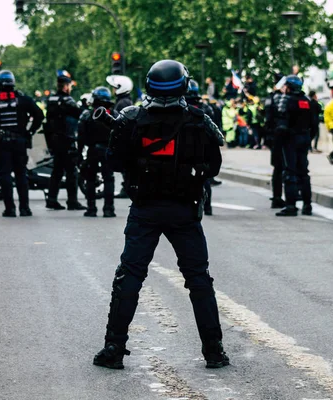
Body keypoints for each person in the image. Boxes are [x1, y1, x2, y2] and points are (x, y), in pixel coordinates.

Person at [92, 59, 228, 370]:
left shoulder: (131, 118)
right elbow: (215, 166)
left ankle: (113, 348)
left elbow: (113, 163)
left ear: (149, 85)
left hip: (145, 210)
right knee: (198, 280)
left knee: (129, 276)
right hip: (184, 210)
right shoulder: (198, 118)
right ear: (184, 84)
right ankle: (214, 351)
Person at [0, 70, 44, 217]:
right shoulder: (23, 99)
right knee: (21, 175)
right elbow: (39, 114)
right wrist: (30, 131)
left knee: (5, 174)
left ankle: (10, 208)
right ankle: (25, 208)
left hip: (2, 142)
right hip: (19, 141)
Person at [44, 71, 84, 211]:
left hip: (54, 140)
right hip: (67, 139)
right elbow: (80, 114)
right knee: (71, 172)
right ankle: (72, 201)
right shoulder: (68, 101)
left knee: (57, 171)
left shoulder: (51, 100)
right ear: (66, 86)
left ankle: (51, 199)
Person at [274, 75, 313, 217]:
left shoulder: (287, 100)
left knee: (290, 172)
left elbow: (282, 122)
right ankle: (307, 205)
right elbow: (313, 122)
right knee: (304, 172)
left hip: (291, 139)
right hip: (304, 137)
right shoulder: (306, 101)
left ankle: (291, 206)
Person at [78, 86, 117, 217]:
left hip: (93, 150)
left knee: (90, 179)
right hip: (108, 150)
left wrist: (79, 154)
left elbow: (81, 136)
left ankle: (91, 208)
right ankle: (109, 208)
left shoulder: (88, 115)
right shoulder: (113, 114)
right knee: (108, 179)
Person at [187, 80, 216, 215]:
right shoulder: (206, 108)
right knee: (204, 178)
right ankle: (207, 206)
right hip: (204, 147)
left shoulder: (183, 109)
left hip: (187, 146)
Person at [106, 74, 134, 199]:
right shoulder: (124, 101)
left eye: (114, 87)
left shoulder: (123, 103)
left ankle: (128, 187)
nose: (113, 90)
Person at [266, 73, 286, 209]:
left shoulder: (271, 98)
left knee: (277, 168)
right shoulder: (282, 98)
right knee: (285, 168)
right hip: (283, 137)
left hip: (274, 137)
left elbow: (267, 119)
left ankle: (277, 196)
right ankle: (284, 197)